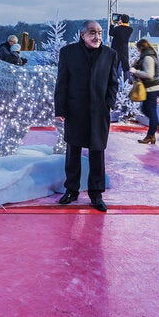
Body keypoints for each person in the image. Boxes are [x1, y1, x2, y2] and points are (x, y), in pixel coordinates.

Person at [54, 20, 119, 212]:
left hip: (99, 112)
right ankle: (71, 190)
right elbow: (62, 82)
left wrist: (108, 103)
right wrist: (60, 109)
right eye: (92, 33)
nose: (97, 36)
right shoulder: (68, 53)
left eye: (99, 32)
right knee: (73, 152)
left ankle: (96, 194)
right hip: (75, 110)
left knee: (97, 152)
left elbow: (113, 82)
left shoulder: (110, 54)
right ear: (82, 35)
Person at [130, 38, 159, 145]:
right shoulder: (147, 56)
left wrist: (135, 71)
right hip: (150, 88)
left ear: (141, 47)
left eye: (138, 48)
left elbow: (149, 74)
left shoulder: (148, 57)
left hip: (152, 88)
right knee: (146, 110)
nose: (137, 51)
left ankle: (150, 136)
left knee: (151, 112)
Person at [109, 14, 134, 79]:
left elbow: (111, 33)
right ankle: (127, 80)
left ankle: (113, 80)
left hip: (116, 49)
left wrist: (112, 25)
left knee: (114, 66)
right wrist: (121, 24)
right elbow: (124, 29)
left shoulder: (117, 28)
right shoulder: (130, 29)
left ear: (121, 20)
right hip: (124, 50)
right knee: (126, 66)